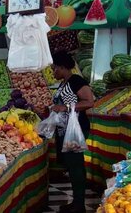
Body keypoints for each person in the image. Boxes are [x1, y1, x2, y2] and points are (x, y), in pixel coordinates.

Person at [50, 51, 94, 213]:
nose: (53, 72)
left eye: (55, 69)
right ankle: (76, 201)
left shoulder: (76, 80)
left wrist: (65, 107)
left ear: (62, 67)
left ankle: (79, 205)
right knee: (72, 165)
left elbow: (89, 102)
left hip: (76, 130)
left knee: (76, 166)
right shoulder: (64, 83)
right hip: (65, 130)